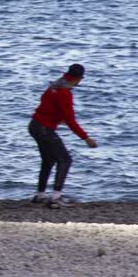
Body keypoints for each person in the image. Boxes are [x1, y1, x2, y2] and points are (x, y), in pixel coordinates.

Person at [28, 63, 98, 208]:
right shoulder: (64, 93)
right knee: (65, 160)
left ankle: (40, 195)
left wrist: (56, 118)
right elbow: (71, 121)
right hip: (44, 129)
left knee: (48, 160)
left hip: (34, 125)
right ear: (80, 79)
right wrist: (86, 138)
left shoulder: (54, 86)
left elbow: (44, 101)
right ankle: (55, 197)